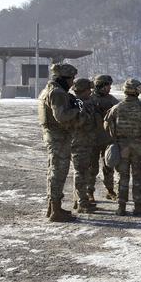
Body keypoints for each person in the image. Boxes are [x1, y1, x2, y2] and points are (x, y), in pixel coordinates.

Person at [103, 78, 141, 216]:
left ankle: (121, 207)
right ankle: (138, 206)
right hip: (138, 146)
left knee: (122, 176)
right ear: (138, 91)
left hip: (122, 147)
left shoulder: (116, 108)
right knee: (138, 176)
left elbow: (107, 125)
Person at [38, 63, 81, 222]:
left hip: (52, 136)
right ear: (64, 78)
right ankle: (55, 211)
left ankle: (52, 208)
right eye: (71, 79)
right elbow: (61, 116)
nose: (72, 83)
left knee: (53, 172)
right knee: (58, 173)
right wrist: (77, 110)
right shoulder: (58, 93)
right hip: (59, 138)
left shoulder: (47, 90)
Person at [69, 78, 98, 214]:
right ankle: (81, 202)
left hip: (86, 142)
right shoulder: (77, 103)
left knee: (84, 172)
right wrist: (85, 115)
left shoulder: (85, 102)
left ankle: (80, 200)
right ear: (83, 90)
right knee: (80, 172)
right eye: (88, 90)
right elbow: (79, 122)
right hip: (79, 143)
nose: (90, 92)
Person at [90, 74, 119, 201]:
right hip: (92, 140)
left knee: (109, 166)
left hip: (107, 139)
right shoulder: (89, 99)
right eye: (107, 85)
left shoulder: (112, 100)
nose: (109, 88)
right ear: (99, 85)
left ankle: (110, 190)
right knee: (92, 168)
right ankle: (89, 192)